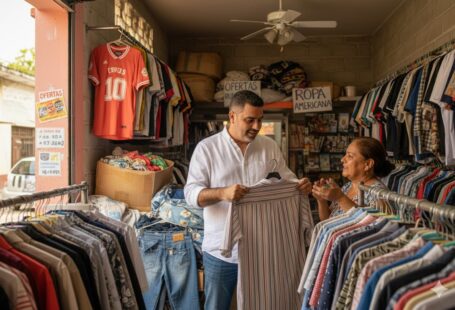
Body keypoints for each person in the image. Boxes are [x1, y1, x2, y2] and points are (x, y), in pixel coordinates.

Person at [184, 90, 312, 310]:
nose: (256, 126)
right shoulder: (207, 149)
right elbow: (191, 195)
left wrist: (301, 185)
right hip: (220, 252)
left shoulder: (269, 146)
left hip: (263, 248)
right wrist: (222, 193)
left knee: (263, 303)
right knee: (216, 307)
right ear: (232, 116)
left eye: (260, 120)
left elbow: (287, 179)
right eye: (250, 120)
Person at [312, 137, 395, 221]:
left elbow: (372, 226)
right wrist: (322, 200)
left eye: (350, 156)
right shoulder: (347, 187)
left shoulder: (379, 194)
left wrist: (340, 198)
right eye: (345, 155)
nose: (342, 159)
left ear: (368, 164)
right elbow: (328, 220)